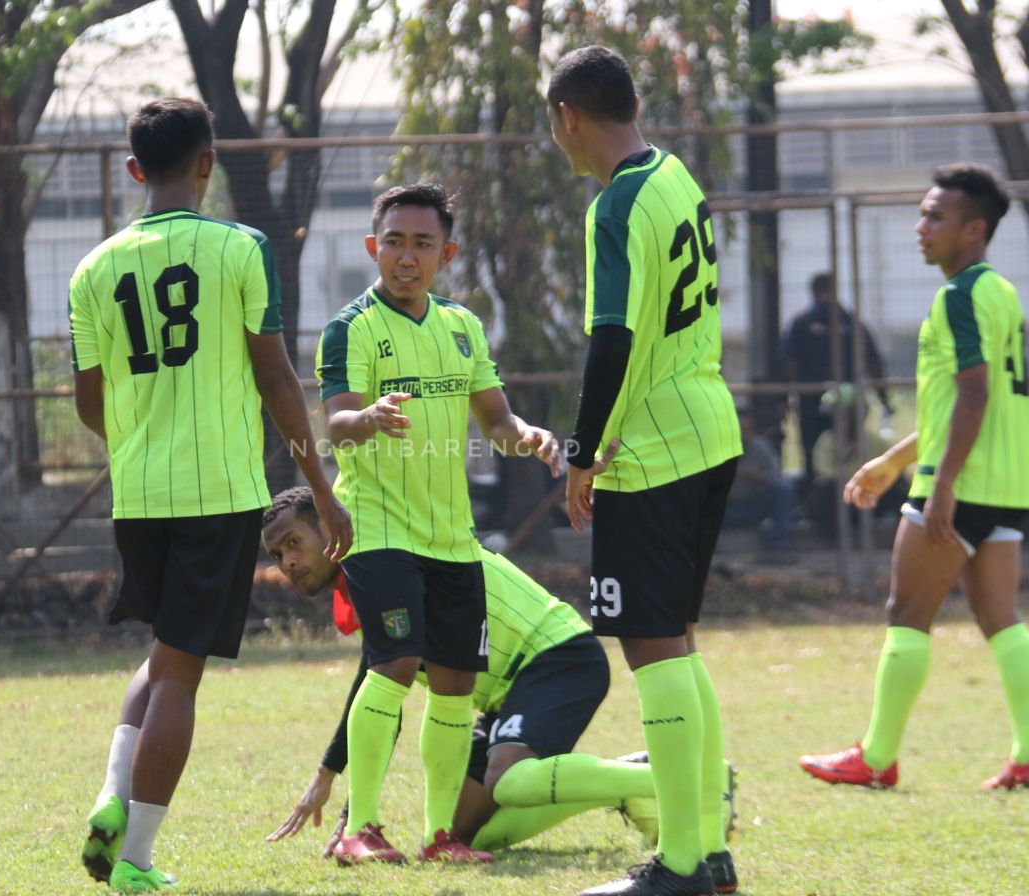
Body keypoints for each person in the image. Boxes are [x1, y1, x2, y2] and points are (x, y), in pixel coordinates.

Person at [68, 97, 352, 894]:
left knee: (166, 649)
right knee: (182, 674)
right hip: (216, 494)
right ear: (208, 163)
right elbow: (275, 376)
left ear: (133, 171)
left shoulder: (92, 269)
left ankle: (110, 797)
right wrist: (322, 493)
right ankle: (137, 862)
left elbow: (89, 402)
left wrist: (136, 441)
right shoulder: (241, 248)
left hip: (139, 496)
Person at [260, 486, 739, 876]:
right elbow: (378, 694)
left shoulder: (391, 557)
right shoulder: (368, 579)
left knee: (508, 780)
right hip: (503, 697)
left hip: (557, 655)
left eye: (294, 543)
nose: (288, 563)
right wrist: (350, 809)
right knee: (466, 834)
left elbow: (383, 687)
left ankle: (693, 781)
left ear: (329, 522)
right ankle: (620, 782)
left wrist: (336, 791)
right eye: (278, 554)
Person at [314, 183, 563, 865]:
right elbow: (334, 420)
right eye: (393, 241)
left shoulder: (463, 327)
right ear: (374, 247)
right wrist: (362, 420)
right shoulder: (351, 327)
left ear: (446, 253)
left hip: (452, 538)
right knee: (394, 661)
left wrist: (529, 436)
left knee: (454, 681)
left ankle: (437, 835)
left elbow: (497, 421)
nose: (406, 256)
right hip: (377, 528)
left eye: (423, 243)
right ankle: (359, 829)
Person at [550, 46, 743, 896]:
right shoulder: (675, 177)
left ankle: (679, 866)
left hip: (653, 448)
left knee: (653, 646)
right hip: (709, 430)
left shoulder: (616, 203)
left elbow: (613, 338)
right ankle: (707, 852)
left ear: (568, 118)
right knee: (678, 644)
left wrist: (582, 455)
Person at [798, 163, 1029, 792]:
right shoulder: (1001, 292)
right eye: (923, 212)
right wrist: (894, 460)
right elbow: (963, 403)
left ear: (974, 230)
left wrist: (938, 484)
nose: (921, 227)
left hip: (960, 485)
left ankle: (876, 758)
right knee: (999, 618)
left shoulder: (958, 297)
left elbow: (973, 395)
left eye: (937, 216)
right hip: (1009, 486)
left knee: (905, 613)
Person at [778, 271, 891, 495]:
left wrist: (784, 398)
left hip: (812, 398)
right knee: (848, 447)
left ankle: (816, 497)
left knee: (812, 451)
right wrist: (883, 399)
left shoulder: (801, 321)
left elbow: (786, 363)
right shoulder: (849, 320)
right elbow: (873, 363)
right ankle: (851, 493)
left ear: (812, 292)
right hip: (846, 400)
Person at [723, 409, 794, 552]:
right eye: (740, 429)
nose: (743, 434)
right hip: (725, 509)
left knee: (784, 488)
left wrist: (757, 477)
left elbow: (775, 476)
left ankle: (778, 542)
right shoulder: (717, 449)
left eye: (747, 429)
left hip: (753, 504)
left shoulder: (761, 447)